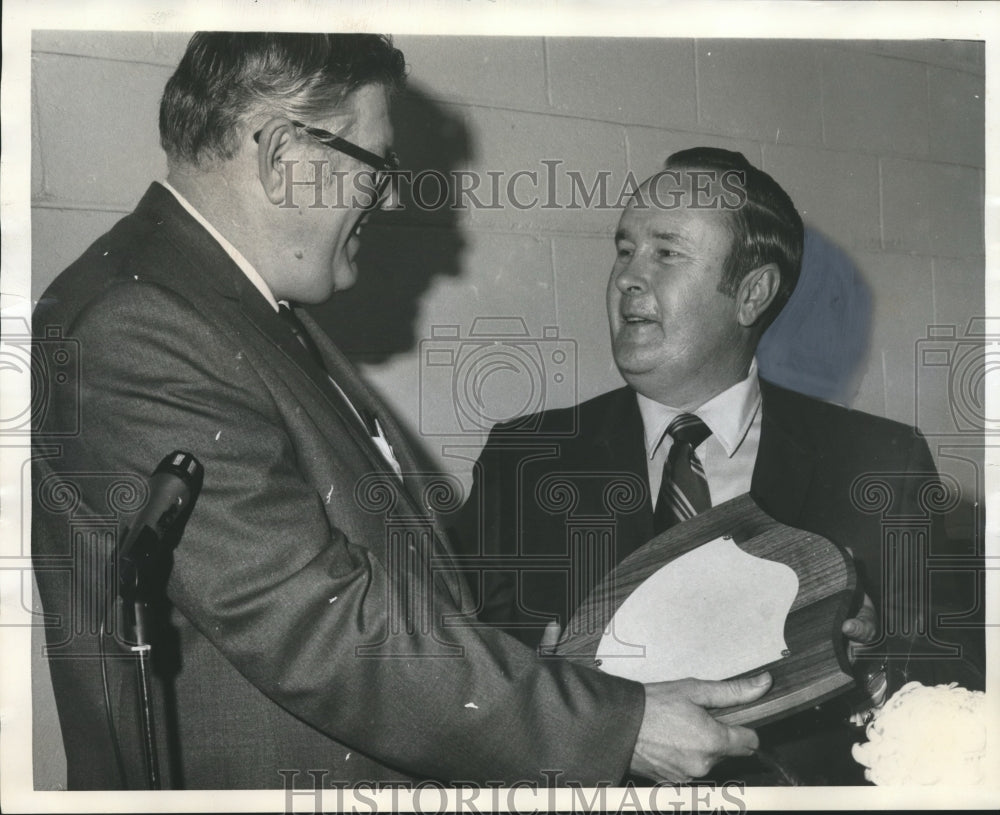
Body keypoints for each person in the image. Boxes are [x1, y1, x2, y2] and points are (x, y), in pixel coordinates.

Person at [31, 34, 775, 791]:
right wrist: (618, 723)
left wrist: (546, 674)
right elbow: (317, 621)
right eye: (379, 166)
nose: (390, 198)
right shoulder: (145, 324)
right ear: (287, 155)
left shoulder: (227, 309)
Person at [458, 147, 984, 784]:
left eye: (667, 252)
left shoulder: (877, 460)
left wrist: (870, 663)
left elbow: (955, 681)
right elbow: (452, 672)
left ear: (752, 293)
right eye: (625, 249)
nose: (627, 276)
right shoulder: (525, 459)